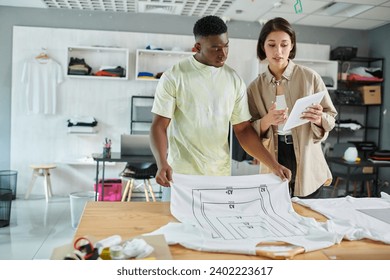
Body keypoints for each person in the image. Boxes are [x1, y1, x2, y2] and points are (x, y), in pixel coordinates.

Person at [150, 15, 291, 189]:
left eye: (226, 46)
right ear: (198, 47)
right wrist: (162, 163)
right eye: (215, 48)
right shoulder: (174, 76)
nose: (223, 53)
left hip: (219, 176)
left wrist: (273, 165)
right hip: (180, 175)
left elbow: (243, 130)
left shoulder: (234, 80)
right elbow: (159, 125)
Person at [247, 17, 337, 198]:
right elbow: (248, 131)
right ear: (262, 47)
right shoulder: (255, 87)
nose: (278, 51)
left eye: (284, 45)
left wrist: (319, 118)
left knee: (308, 217)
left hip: (307, 158)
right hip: (273, 157)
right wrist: (266, 121)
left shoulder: (310, 77)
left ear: (292, 46)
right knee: (275, 217)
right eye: (271, 45)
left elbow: (331, 117)